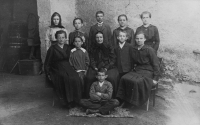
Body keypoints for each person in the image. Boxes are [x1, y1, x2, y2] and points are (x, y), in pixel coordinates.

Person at [116, 31, 160, 107]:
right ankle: (123, 100)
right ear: (135, 39)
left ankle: (133, 102)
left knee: (136, 81)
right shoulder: (134, 49)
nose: (139, 40)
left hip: (148, 71)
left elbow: (156, 64)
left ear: (144, 39)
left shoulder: (149, 49)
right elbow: (132, 61)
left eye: (141, 38)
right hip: (137, 70)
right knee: (124, 78)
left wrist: (156, 78)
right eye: (137, 38)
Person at [44, 30, 82, 107]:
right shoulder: (52, 48)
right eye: (59, 38)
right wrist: (48, 73)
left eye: (63, 37)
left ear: (65, 38)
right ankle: (66, 102)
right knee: (64, 77)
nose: (61, 39)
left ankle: (75, 100)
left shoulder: (68, 47)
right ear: (56, 38)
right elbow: (47, 62)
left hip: (67, 66)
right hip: (56, 67)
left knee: (75, 77)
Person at [86, 31, 119, 98]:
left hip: (108, 66)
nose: (99, 39)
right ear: (95, 38)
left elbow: (113, 58)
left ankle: (111, 97)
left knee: (111, 78)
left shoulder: (109, 46)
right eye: (97, 37)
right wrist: (94, 66)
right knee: (89, 78)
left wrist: (106, 67)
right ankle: (91, 97)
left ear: (103, 38)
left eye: (101, 37)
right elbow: (91, 58)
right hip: (96, 66)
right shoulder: (92, 47)